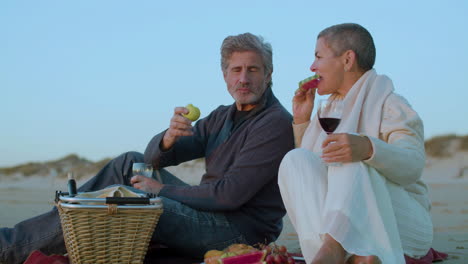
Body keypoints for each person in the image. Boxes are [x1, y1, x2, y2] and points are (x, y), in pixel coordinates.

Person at [0, 33, 295, 264]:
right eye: (236, 70)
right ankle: (13, 241)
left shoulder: (275, 123)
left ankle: (9, 249)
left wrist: (159, 190)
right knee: (129, 162)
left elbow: (229, 195)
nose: (243, 78)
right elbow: (152, 158)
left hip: (240, 231)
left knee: (130, 204)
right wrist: (168, 138)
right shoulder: (221, 116)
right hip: (210, 213)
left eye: (253, 70)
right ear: (225, 75)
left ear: (268, 74)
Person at [278, 23, 433, 264]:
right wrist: (301, 121)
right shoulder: (330, 108)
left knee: (347, 158)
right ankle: (356, 257)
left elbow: (413, 166)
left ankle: (333, 249)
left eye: (318, 56)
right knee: (294, 160)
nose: (312, 66)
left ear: (348, 60)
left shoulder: (390, 103)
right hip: (349, 218)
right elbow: (310, 179)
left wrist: (368, 148)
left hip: (401, 222)